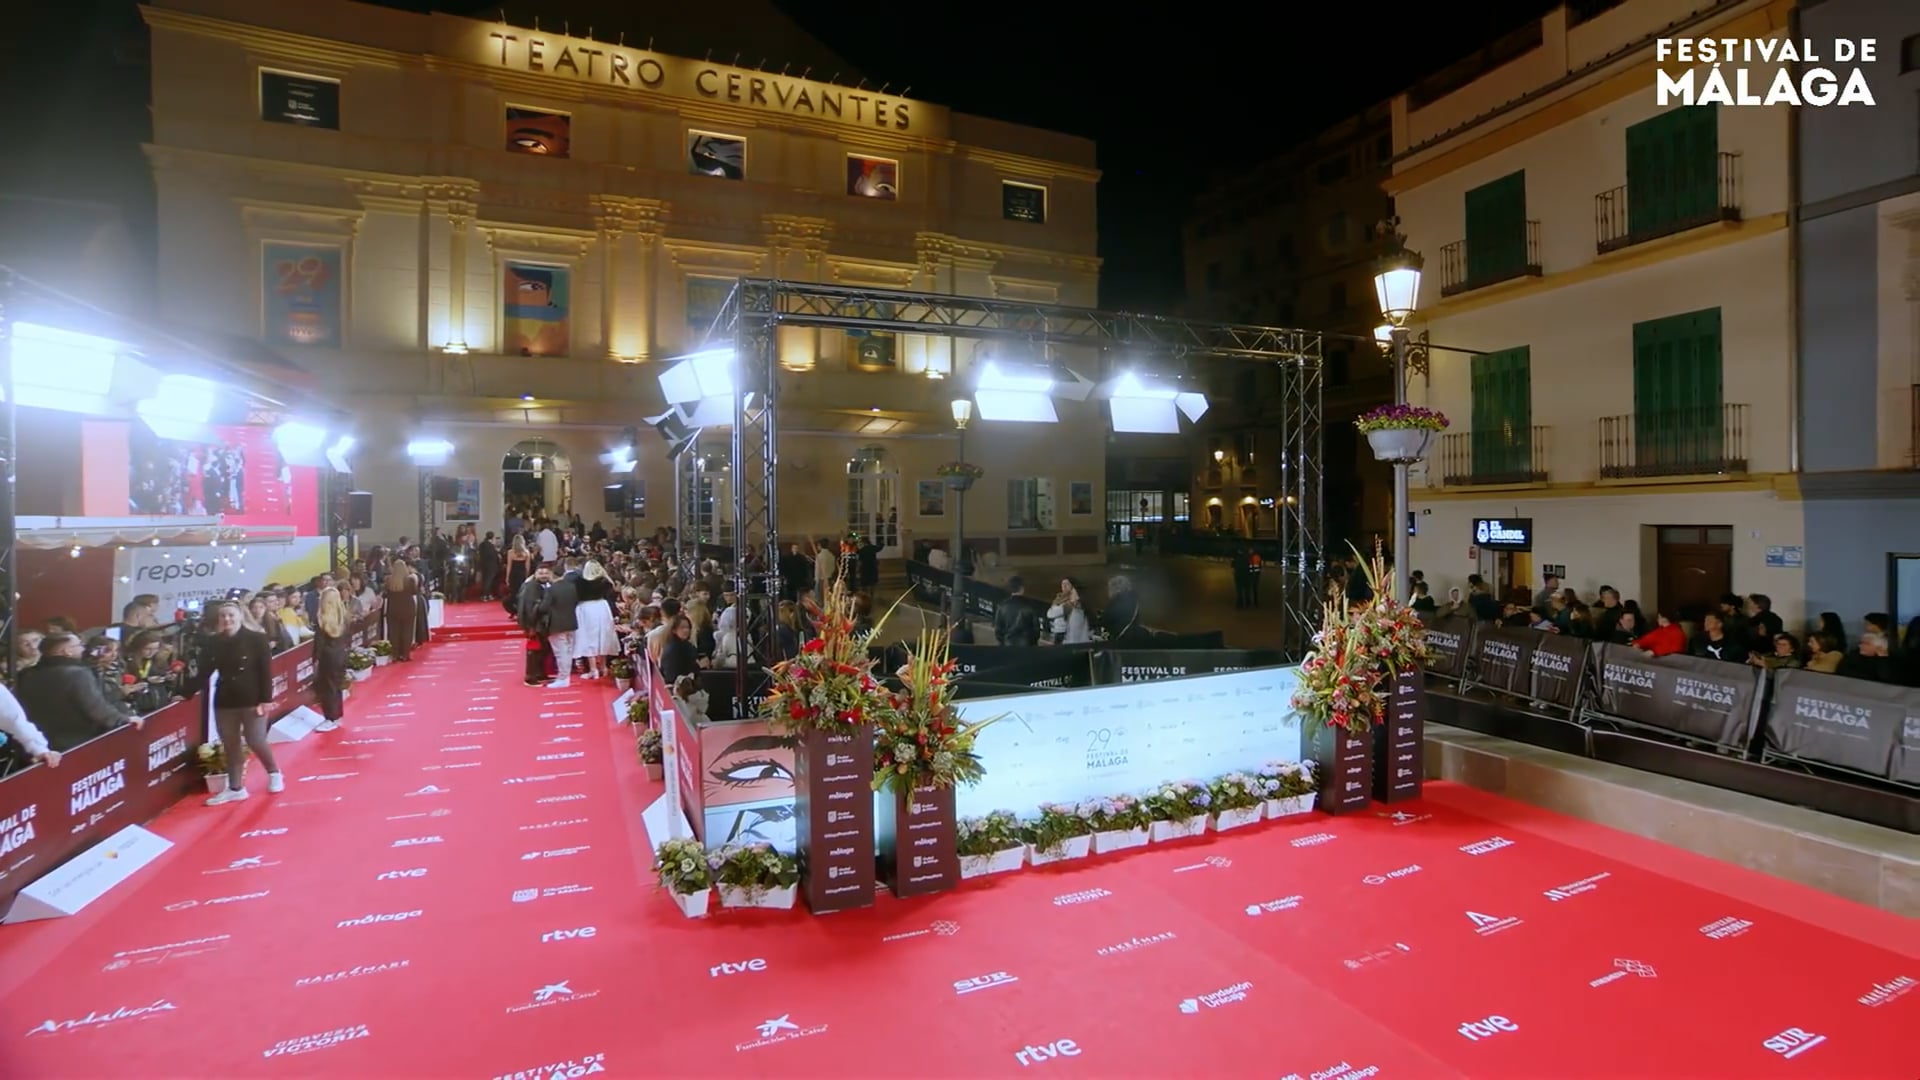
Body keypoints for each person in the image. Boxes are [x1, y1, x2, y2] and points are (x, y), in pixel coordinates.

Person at [194, 602, 281, 805]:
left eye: (231, 615)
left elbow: (266, 672)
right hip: (225, 699)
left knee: (255, 739)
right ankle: (235, 788)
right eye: (223, 616)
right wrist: (185, 692)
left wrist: (266, 700)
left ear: (240, 616)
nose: (227, 620)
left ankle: (274, 772)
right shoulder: (213, 642)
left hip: (252, 698)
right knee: (231, 745)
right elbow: (204, 672)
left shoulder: (257, 639)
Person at [540, 560, 583, 689]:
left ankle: (563, 678)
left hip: (557, 624)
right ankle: (565, 676)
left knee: (561, 653)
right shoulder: (571, 587)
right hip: (571, 621)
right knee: (568, 651)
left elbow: (543, 607)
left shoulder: (552, 589)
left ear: (552, 575)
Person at [573, 560, 619, 679]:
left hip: (586, 609)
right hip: (601, 608)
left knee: (588, 639)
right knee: (602, 637)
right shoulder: (605, 582)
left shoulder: (579, 582)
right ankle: (603, 667)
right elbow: (612, 592)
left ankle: (594, 669)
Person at [312, 586, 349, 732]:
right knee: (337, 686)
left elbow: (319, 643)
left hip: (328, 658)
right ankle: (337, 715)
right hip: (341, 654)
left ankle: (330, 718)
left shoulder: (322, 619)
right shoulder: (344, 616)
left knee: (328, 688)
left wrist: (316, 659)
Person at [517, 564, 555, 686]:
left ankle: (540, 674)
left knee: (543, 650)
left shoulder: (547, 585)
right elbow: (529, 608)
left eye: (546, 573)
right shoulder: (531, 587)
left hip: (542, 624)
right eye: (541, 573)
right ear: (535, 574)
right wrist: (531, 626)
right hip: (534, 624)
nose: (544, 575)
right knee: (534, 651)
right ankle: (530, 677)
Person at [384, 559, 420, 661]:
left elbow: (385, 593)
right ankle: (405, 654)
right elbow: (414, 592)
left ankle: (395, 654)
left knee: (394, 632)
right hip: (408, 608)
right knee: (407, 631)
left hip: (393, 609)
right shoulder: (410, 580)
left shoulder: (388, 580)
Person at [1046, 579, 1090, 645]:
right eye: (1063, 584)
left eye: (1067, 584)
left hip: (1064, 634)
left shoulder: (1073, 605)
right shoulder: (1059, 598)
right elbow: (1050, 613)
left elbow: (1050, 613)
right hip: (1057, 632)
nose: (1064, 586)